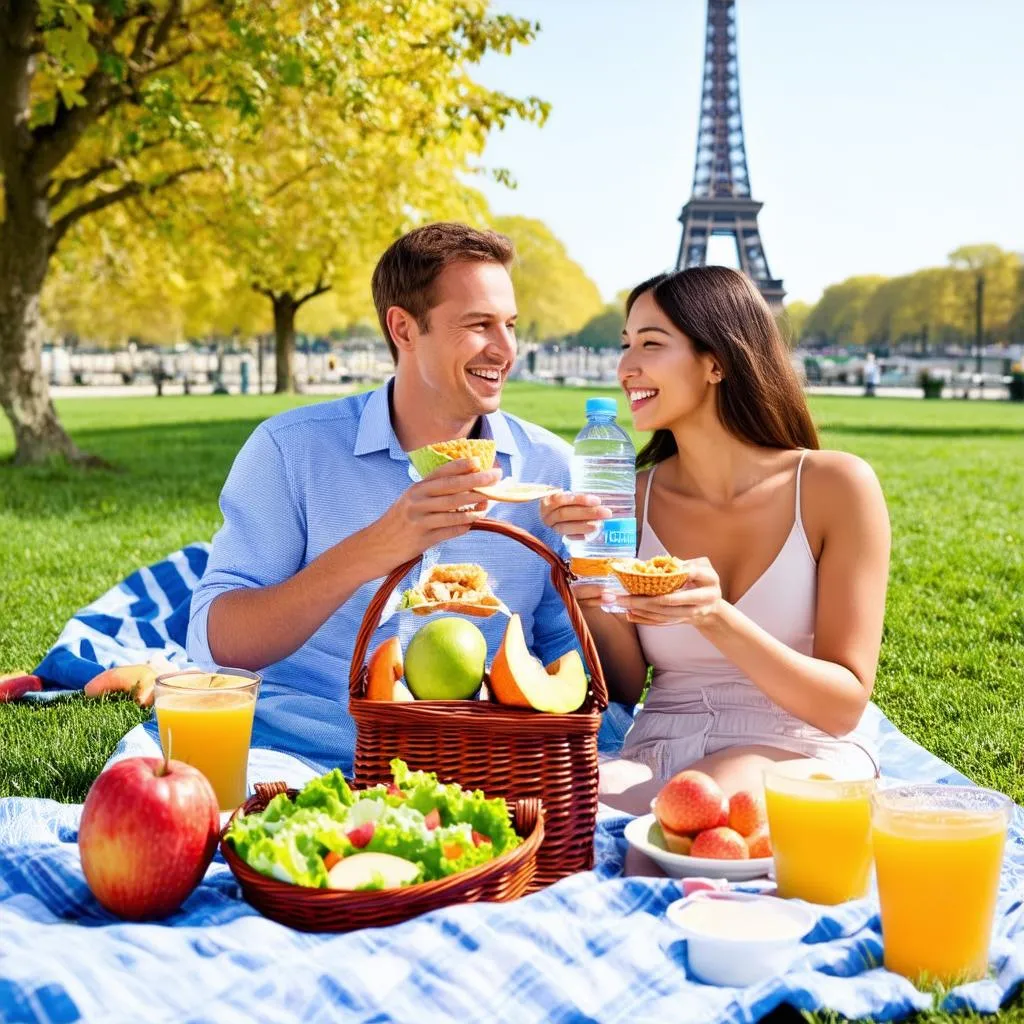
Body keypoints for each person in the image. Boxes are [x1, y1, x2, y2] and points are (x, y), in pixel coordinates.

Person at [186, 223, 580, 772]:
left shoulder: (550, 467)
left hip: (488, 757)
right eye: (478, 324)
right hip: (305, 750)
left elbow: (575, 661)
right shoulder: (291, 449)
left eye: (510, 325)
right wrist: (379, 546)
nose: (506, 349)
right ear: (403, 327)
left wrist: (602, 569)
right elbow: (217, 640)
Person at [541, 266, 891, 811]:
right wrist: (589, 584)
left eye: (651, 344)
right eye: (626, 344)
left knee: (680, 823)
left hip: (798, 748)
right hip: (658, 746)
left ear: (716, 362)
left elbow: (843, 705)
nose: (626, 366)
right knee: (536, 808)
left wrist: (714, 615)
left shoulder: (834, 486)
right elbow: (629, 687)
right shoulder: (630, 498)